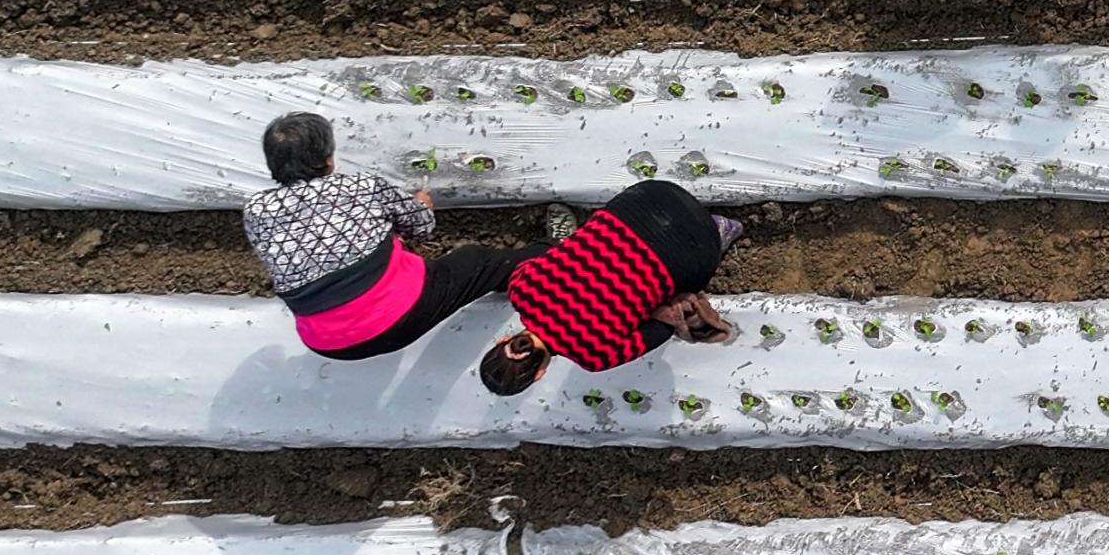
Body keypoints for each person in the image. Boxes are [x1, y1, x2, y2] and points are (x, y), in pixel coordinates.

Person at [244, 112, 546, 360]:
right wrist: (422, 206)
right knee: (477, 261)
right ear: (328, 161)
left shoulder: (256, 210)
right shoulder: (359, 186)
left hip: (326, 343)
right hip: (393, 319)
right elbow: (420, 227)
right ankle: (556, 253)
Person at [477, 175, 743, 397]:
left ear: (539, 374)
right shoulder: (521, 289)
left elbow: (662, 328)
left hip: (697, 247)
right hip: (649, 197)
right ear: (504, 340)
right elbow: (555, 256)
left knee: (675, 281)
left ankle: (720, 230)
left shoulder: (596, 356)